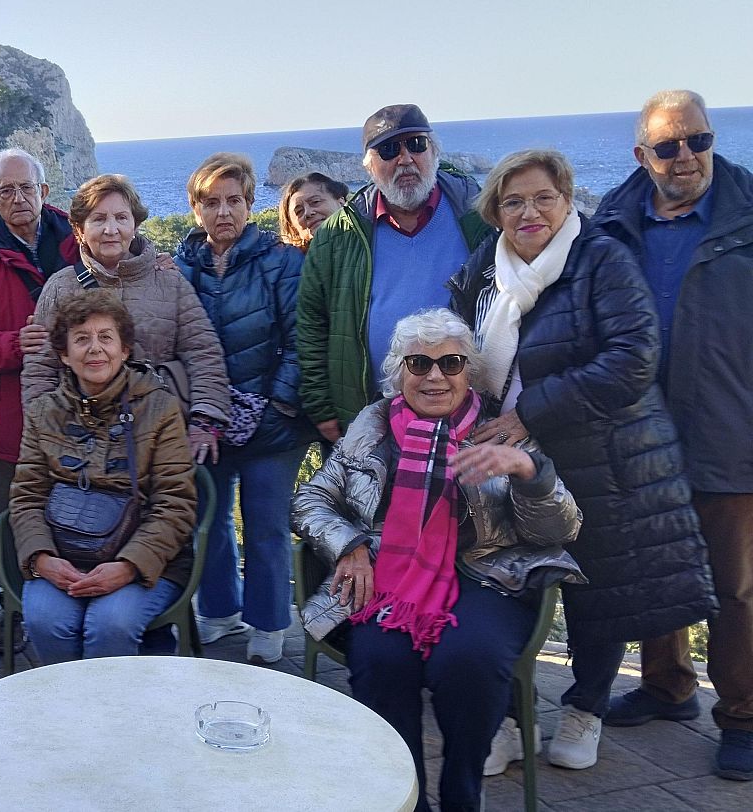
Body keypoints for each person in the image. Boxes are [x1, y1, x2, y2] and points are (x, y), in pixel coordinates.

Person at [447, 148, 715, 773]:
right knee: (505, 581)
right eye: (514, 201)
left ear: (567, 200)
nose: (530, 212)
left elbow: (633, 357)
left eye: (544, 197)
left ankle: (585, 708)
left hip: (601, 456)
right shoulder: (484, 267)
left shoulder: (602, 260)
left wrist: (529, 415)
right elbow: (463, 347)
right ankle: (508, 718)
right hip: (505, 457)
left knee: (595, 588)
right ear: (495, 212)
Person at [292, 308, 583, 812]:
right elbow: (311, 498)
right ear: (398, 371)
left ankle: (463, 791)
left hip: (486, 574)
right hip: (389, 576)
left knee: (469, 660)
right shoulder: (372, 426)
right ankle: (405, 798)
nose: (434, 376)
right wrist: (350, 544)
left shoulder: (502, 429)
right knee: (381, 662)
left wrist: (529, 472)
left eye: (450, 363)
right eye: (418, 363)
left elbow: (561, 530)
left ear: (469, 371)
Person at [591, 89, 753, 780]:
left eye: (698, 140)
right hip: (637, 430)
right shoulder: (613, 221)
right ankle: (666, 685)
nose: (685, 156)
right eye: (668, 145)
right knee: (654, 568)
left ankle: (743, 715)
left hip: (729, 424)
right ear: (642, 155)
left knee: (734, 587)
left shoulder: (747, 214)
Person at [174, 154, 315, 664]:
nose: (224, 212)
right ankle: (219, 611)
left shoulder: (282, 261)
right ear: (196, 209)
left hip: (274, 423)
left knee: (265, 525)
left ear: (250, 204)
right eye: (211, 202)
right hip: (205, 421)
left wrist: (277, 405)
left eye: (234, 200)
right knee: (206, 521)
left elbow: (301, 341)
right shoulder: (179, 267)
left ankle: (269, 622)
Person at [10, 291, 197, 663]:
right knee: (46, 620)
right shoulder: (42, 411)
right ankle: (69, 700)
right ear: (64, 354)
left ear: (124, 350)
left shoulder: (161, 408)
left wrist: (129, 566)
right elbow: (27, 497)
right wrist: (41, 558)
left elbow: (175, 503)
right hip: (62, 552)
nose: (95, 349)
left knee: (110, 624)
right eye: (81, 339)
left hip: (142, 556)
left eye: (105, 337)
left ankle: (114, 702)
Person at [0, 147, 80, 654]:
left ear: (44, 191)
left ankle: (72, 611)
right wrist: (12, 344)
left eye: (27, 188)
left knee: (80, 514)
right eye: (6, 191)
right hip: (8, 420)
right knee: (11, 521)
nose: (19, 198)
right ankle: (14, 612)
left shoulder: (78, 239)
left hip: (83, 415)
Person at [298, 104, 493, 444]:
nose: (404, 159)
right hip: (371, 418)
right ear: (369, 166)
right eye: (388, 150)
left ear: (433, 151)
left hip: (469, 415)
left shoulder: (478, 215)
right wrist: (322, 408)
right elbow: (312, 323)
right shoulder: (338, 235)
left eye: (416, 144)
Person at [21, 173, 229, 453]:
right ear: (80, 229)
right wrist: (49, 435)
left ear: (135, 225)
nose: (111, 229)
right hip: (84, 445)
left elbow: (203, 353)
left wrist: (204, 421)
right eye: (98, 219)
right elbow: (41, 370)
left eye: (121, 218)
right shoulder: (61, 287)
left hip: (160, 440)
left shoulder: (169, 282)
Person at [277, 171, 348, 251]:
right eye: (299, 212)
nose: (307, 213)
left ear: (341, 202)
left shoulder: (359, 243)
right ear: (294, 228)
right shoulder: (293, 258)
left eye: (315, 202)